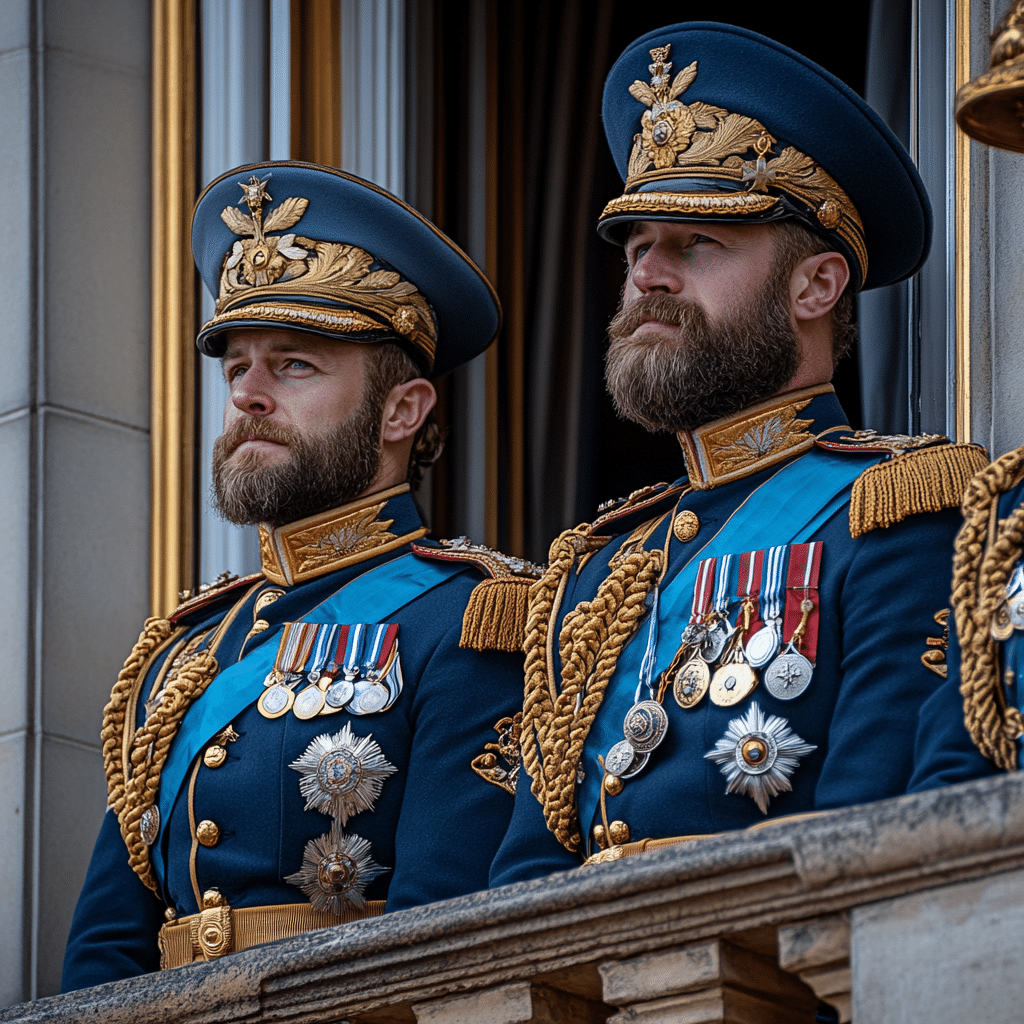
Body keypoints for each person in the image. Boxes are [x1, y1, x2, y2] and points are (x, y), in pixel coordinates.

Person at [490, 21, 988, 886]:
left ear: (815, 285)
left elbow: (872, 848)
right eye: (639, 245)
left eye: (697, 243)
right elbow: (523, 877)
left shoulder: (899, 513)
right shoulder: (595, 570)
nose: (649, 274)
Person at [63, 162, 534, 988]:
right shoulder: (181, 654)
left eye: (294, 366)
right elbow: (105, 951)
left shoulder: (469, 618)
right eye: (237, 366)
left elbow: (440, 939)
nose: (248, 394)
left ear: (401, 411)